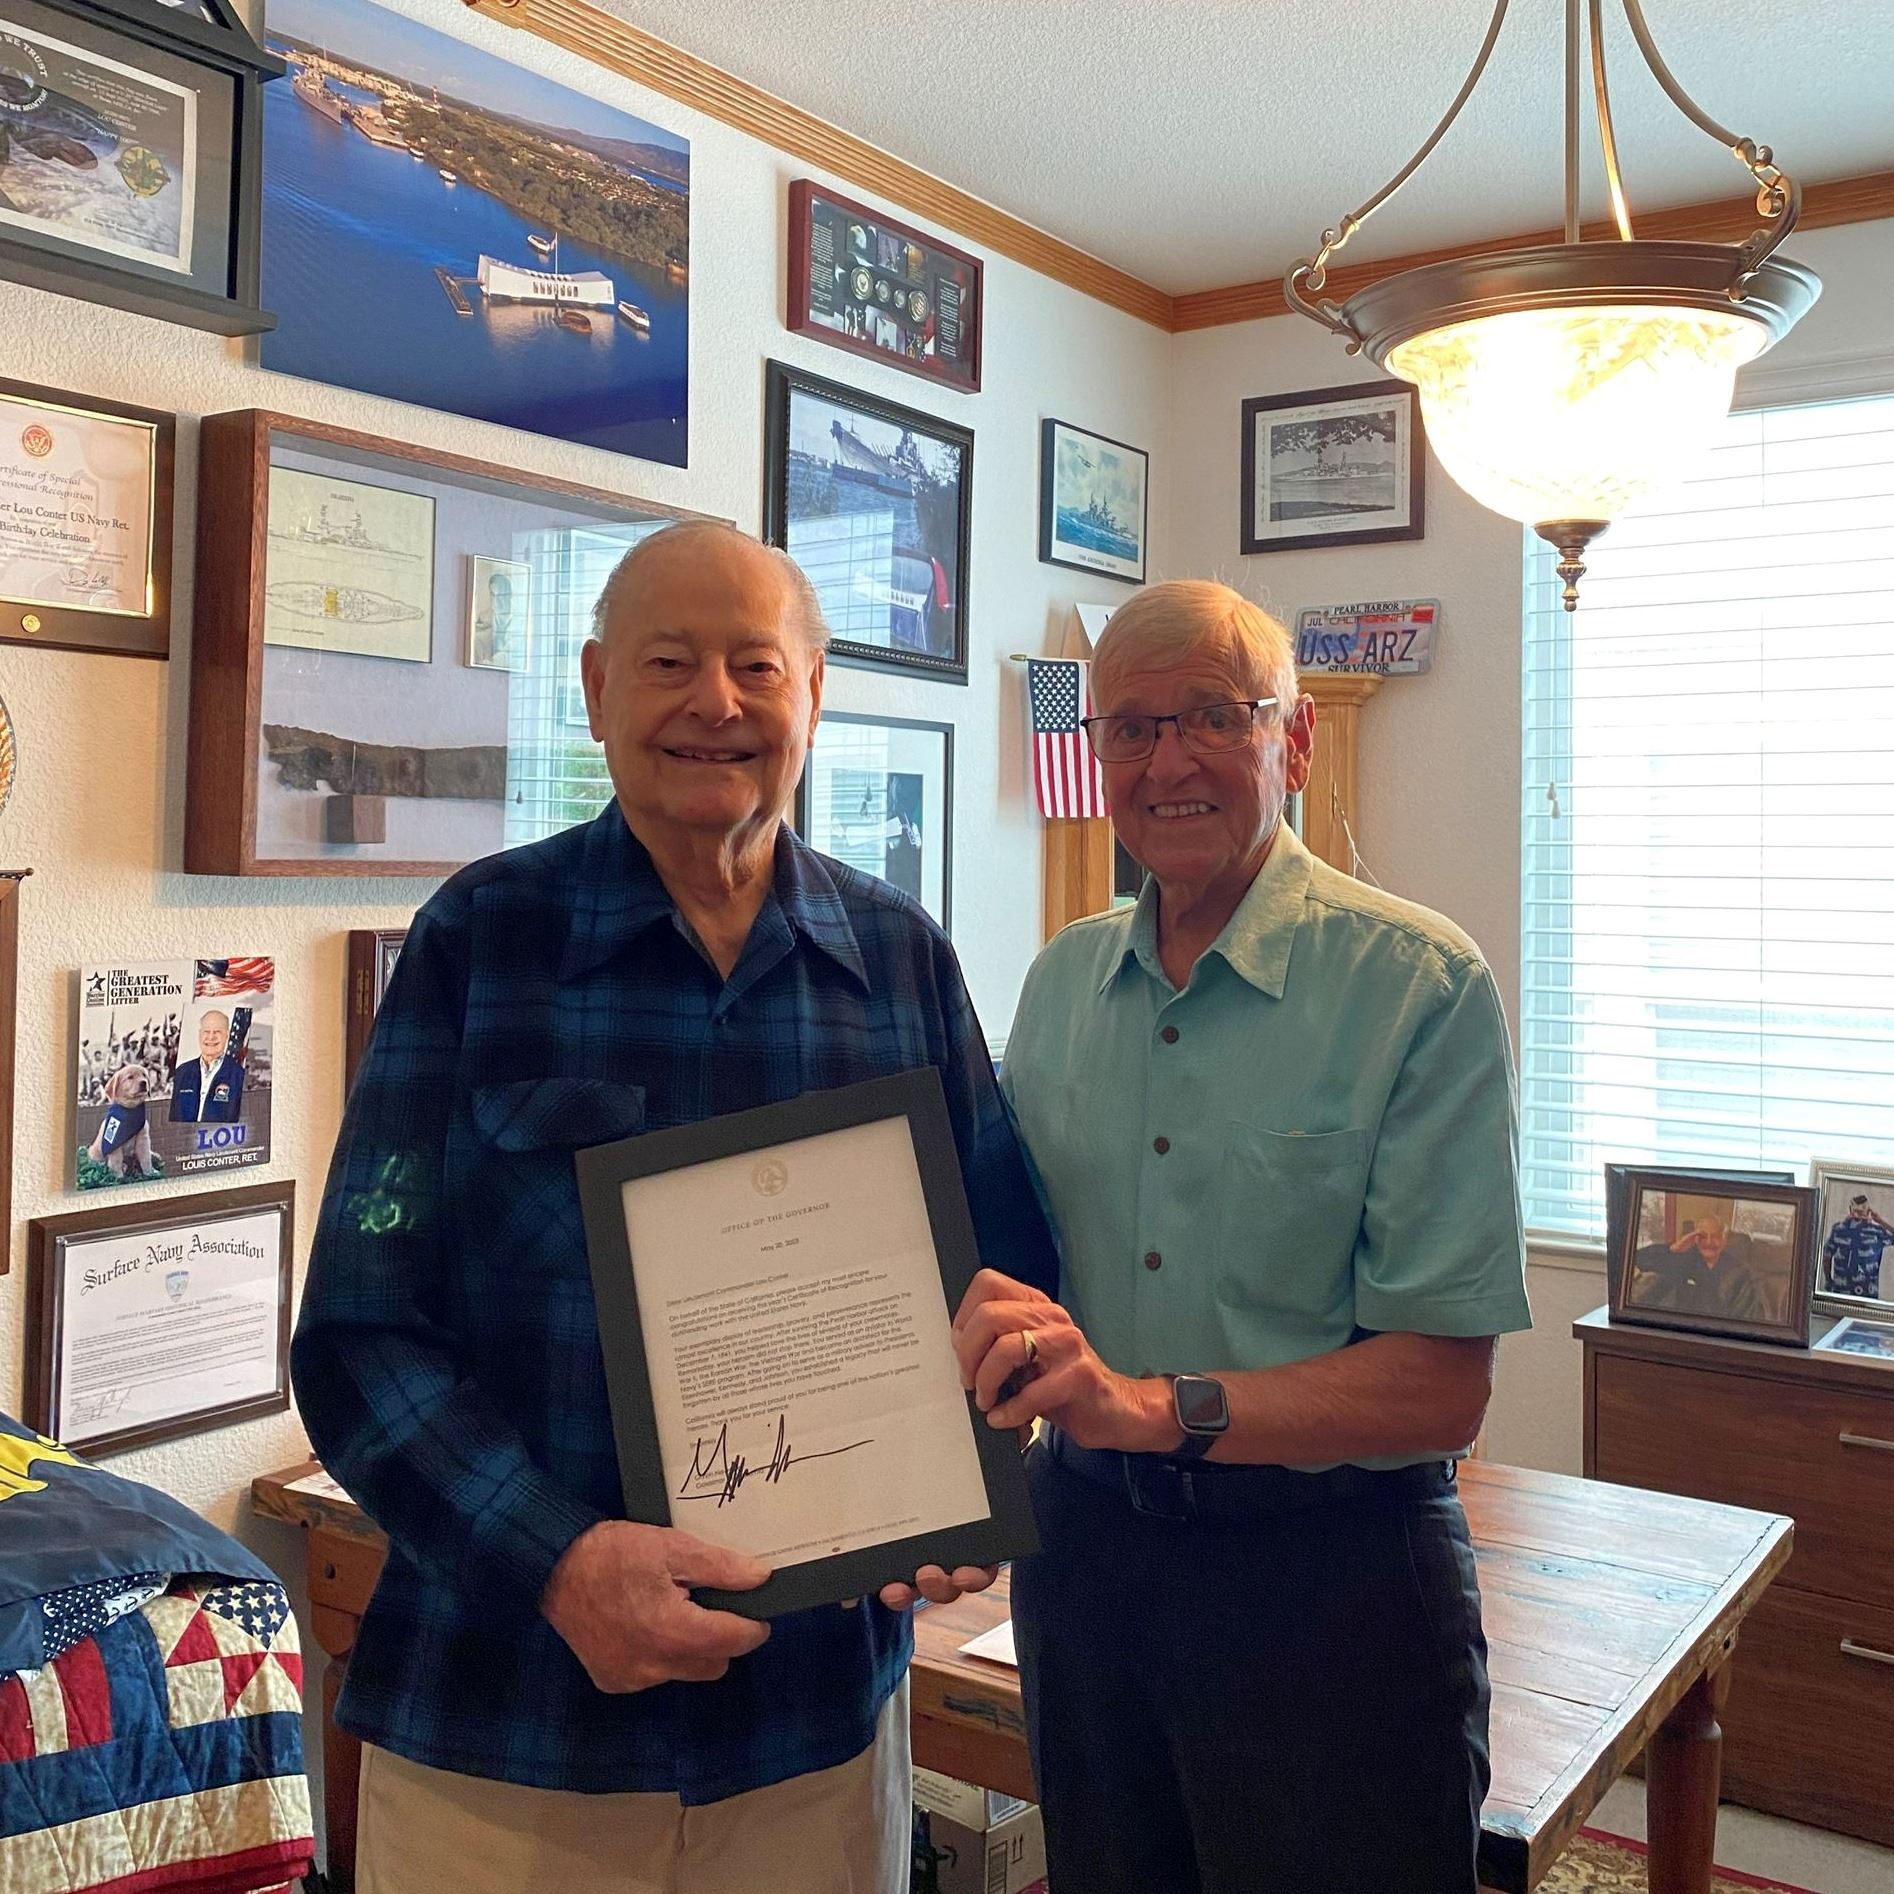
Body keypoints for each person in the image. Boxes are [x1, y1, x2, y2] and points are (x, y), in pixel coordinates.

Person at [292, 520, 1055, 1894]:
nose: (715, 702)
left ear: (813, 692)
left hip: (813, 1745)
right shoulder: (479, 939)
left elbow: (1006, 1281)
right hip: (504, 1743)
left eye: (755, 665)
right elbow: (358, 1336)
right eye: (667, 662)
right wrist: (561, 1560)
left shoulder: (898, 958)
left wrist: (966, 1462)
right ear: (593, 690)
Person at [953, 580, 1532, 1894]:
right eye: (1131, 727)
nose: (1167, 761)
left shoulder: (1417, 987)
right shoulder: (1058, 984)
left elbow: (1440, 1386)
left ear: (1296, 739)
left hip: (1331, 1576)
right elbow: (999, 1278)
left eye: (1212, 716)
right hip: (1085, 1570)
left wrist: (1152, 1406)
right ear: (1093, 752)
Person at [1633, 1207, 1790, 1323]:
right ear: (1694, 1238)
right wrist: (1672, 1248)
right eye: (1702, 1236)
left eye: (1714, 1237)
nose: (1708, 1242)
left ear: (1724, 1239)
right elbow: (1638, 1259)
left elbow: (1744, 1322)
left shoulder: (1740, 1272)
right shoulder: (1684, 1259)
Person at [169, 1009, 244, 1123]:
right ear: (199, 1034)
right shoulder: (182, 1072)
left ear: (227, 1035)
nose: (211, 1037)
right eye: (206, 1031)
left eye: (217, 1032)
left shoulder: (238, 1075)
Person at [1822, 1193, 1894, 1301]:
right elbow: (1827, 1255)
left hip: (1865, 1294)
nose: (1857, 1215)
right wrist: (1828, 1281)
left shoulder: (1877, 1231)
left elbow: (1827, 1256)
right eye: (1856, 1211)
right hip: (1845, 1293)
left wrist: (1879, 1220)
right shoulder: (1839, 1229)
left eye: (1861, 1211)